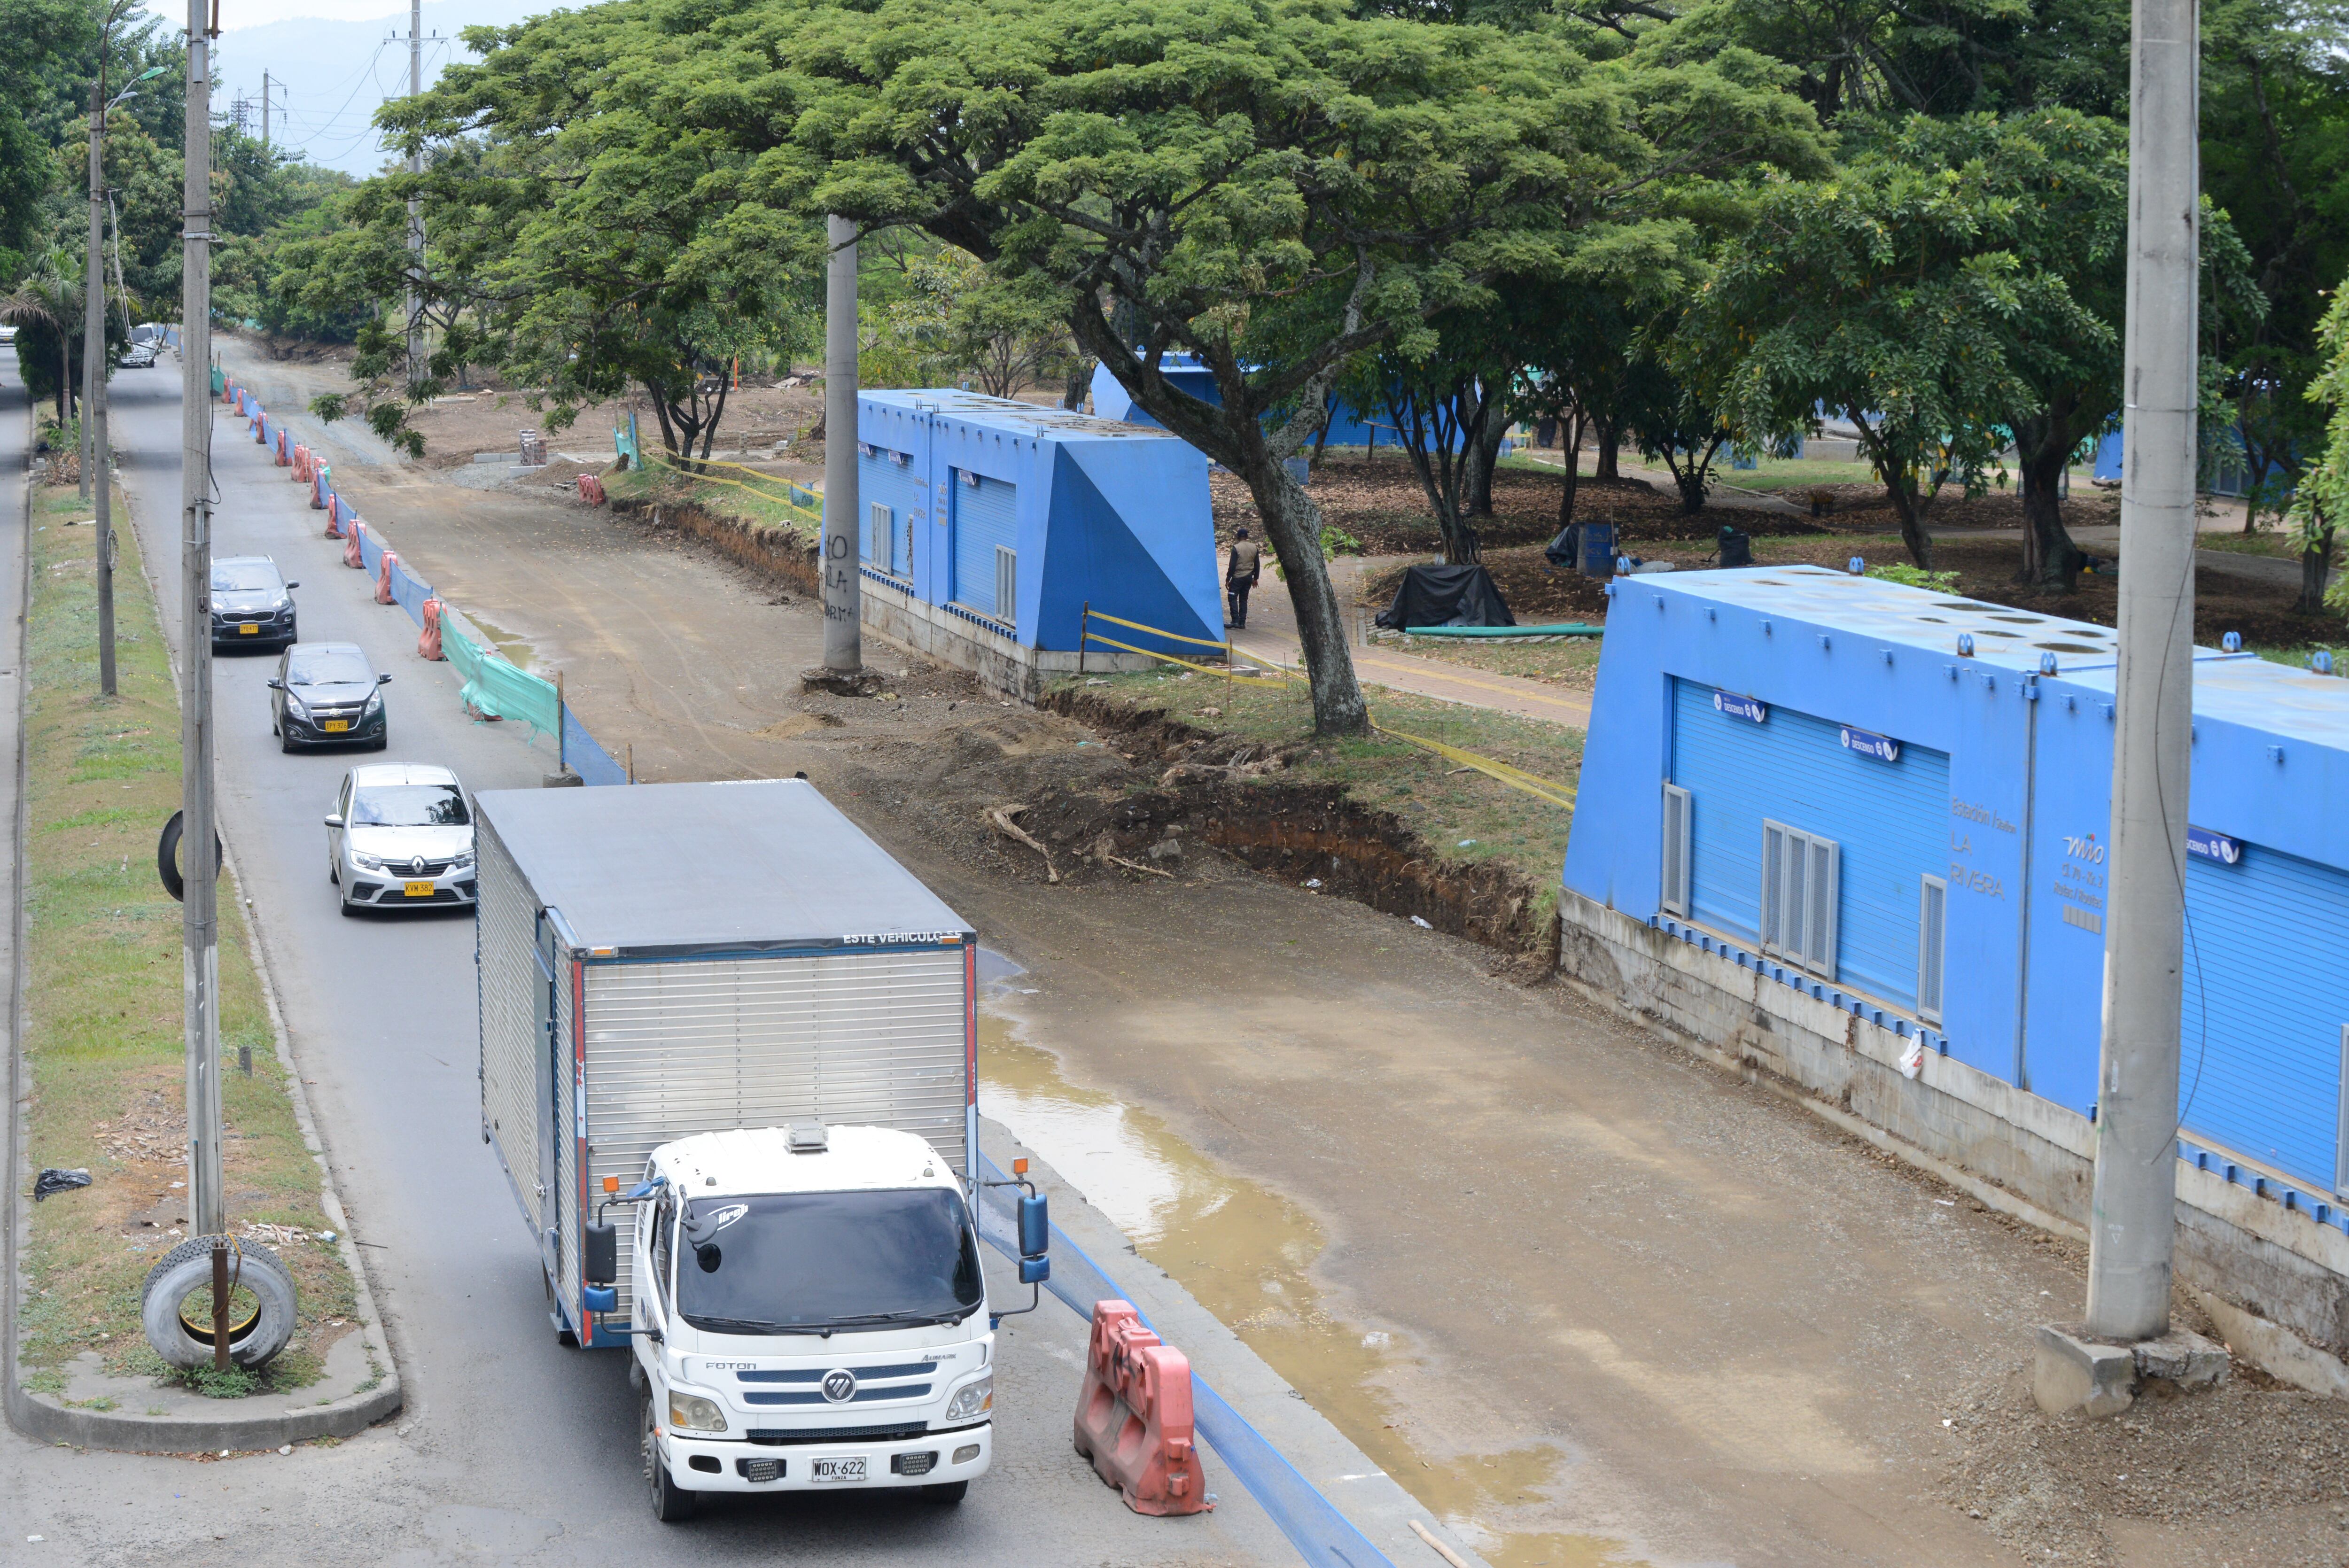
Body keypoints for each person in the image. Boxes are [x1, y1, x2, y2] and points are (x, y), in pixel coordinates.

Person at [1226, 528, 1262, 629]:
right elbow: (1257, 564)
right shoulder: (1254, 547)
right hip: (1249, 578)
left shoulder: (1236, 548)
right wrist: (1256, 578)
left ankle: (1235, 621)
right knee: (1243, 599)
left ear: (1238, 537)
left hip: (1238, 577)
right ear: (1247, 537)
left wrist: (1228, 578)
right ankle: (1242, 623)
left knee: (1232, 597)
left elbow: (1232, 565)